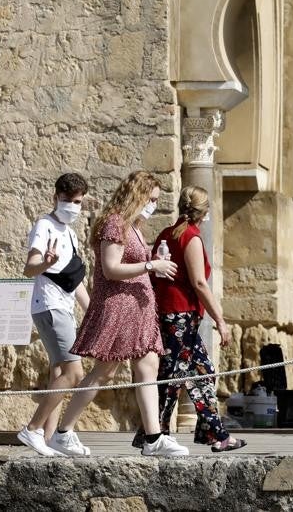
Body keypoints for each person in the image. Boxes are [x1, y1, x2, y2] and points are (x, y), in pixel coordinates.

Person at [45, 170, 190, 457]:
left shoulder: (134, 226)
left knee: (147, 366)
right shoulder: (115, 224)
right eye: (151, 198)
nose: (153, 205)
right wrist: (151, 267)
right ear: (136, 195)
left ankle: (153, 438)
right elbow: (111, 269)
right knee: (104, 371)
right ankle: (63, 432)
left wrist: (155, 263)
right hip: (119, 306)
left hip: (138, 309)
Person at [131, 185, 246, 452]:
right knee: (171, 377)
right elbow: (199, 282)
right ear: (202, 212)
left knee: (203, 372)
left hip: (176, 316)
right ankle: (154, 434)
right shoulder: (190, 237)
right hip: (180, 317)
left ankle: (215, 435)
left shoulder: (166, 235)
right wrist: (220, 320)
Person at [16, 173, 93, 457]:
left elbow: (74, 282)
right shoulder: (44, 225)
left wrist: (93, 311)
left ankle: (46, 441)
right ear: (55, 197)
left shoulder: (70, 233)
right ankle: (33, 429)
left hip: (64, 306)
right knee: (75, 372)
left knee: (59, 373)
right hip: (50, 306)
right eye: (67, 200)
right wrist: (44, 262)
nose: (72, 206)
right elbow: (30, 267)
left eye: (77, 201)